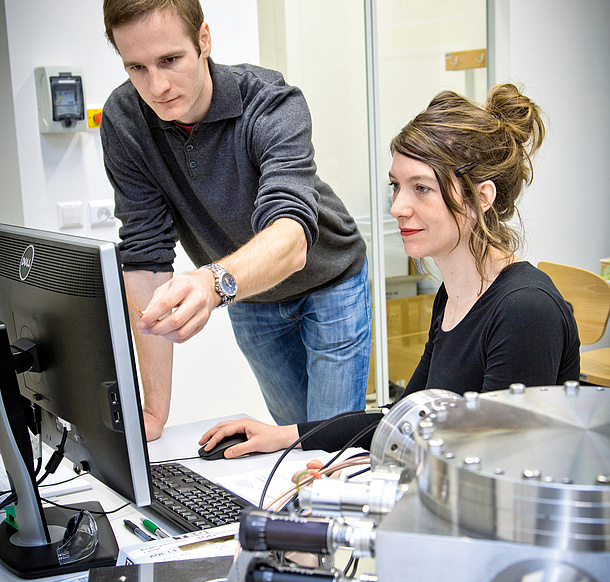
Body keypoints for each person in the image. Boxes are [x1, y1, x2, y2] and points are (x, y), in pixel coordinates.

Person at [198, 83, 580, 458]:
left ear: (481, 197)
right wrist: (285, 435)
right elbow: (402, 416)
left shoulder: (526, 311)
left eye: (422, 189)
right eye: (396, 186)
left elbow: (494, 464)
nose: (398, 207)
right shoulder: (455, 294)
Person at [100, 0, 372, 440]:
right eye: (137, 67)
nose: (158, 85)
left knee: (325, 446)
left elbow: (291, 234)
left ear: (203, 40)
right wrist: (153, 412)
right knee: (290, 438)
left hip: (329, 282)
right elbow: (146, 256)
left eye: (170, 59)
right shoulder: (125, 120)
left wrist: (211, 283)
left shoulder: (269, 101)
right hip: (250, 297)